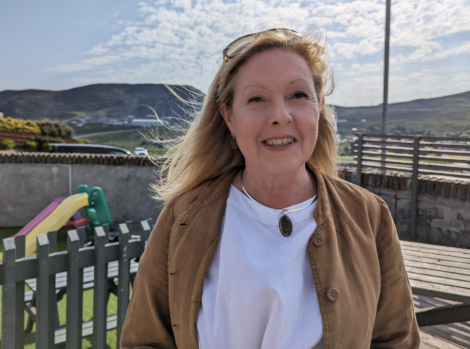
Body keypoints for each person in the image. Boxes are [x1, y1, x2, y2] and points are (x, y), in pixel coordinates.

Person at [121, 28, 420, 349]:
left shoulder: (369, 215)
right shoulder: (183, 216)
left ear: (318, 106)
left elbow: (396, 340)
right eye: (257, 99)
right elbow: (145, 340)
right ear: (229, 117)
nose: (280, 115)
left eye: (298, 95)